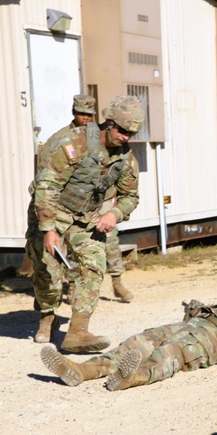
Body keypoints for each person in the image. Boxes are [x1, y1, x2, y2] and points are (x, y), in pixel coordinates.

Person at [31, 94, 144, 353]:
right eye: (123, 131)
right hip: (54, 210)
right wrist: (48, 229)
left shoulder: (125, 159)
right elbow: (48, 185)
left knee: (94, 265)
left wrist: (114, 214)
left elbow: (130, 196)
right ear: (109, 123)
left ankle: (77, 332)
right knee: (47, 271)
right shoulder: (75, 143)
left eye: (132, 134)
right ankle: (48, 315)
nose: (126, 138)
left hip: (85, 218)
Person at [40, 300, 217, 391]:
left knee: (169, 355)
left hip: (208, 343)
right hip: (188, 327)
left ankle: (132, 377)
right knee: (136, 343)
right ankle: (81, 370)